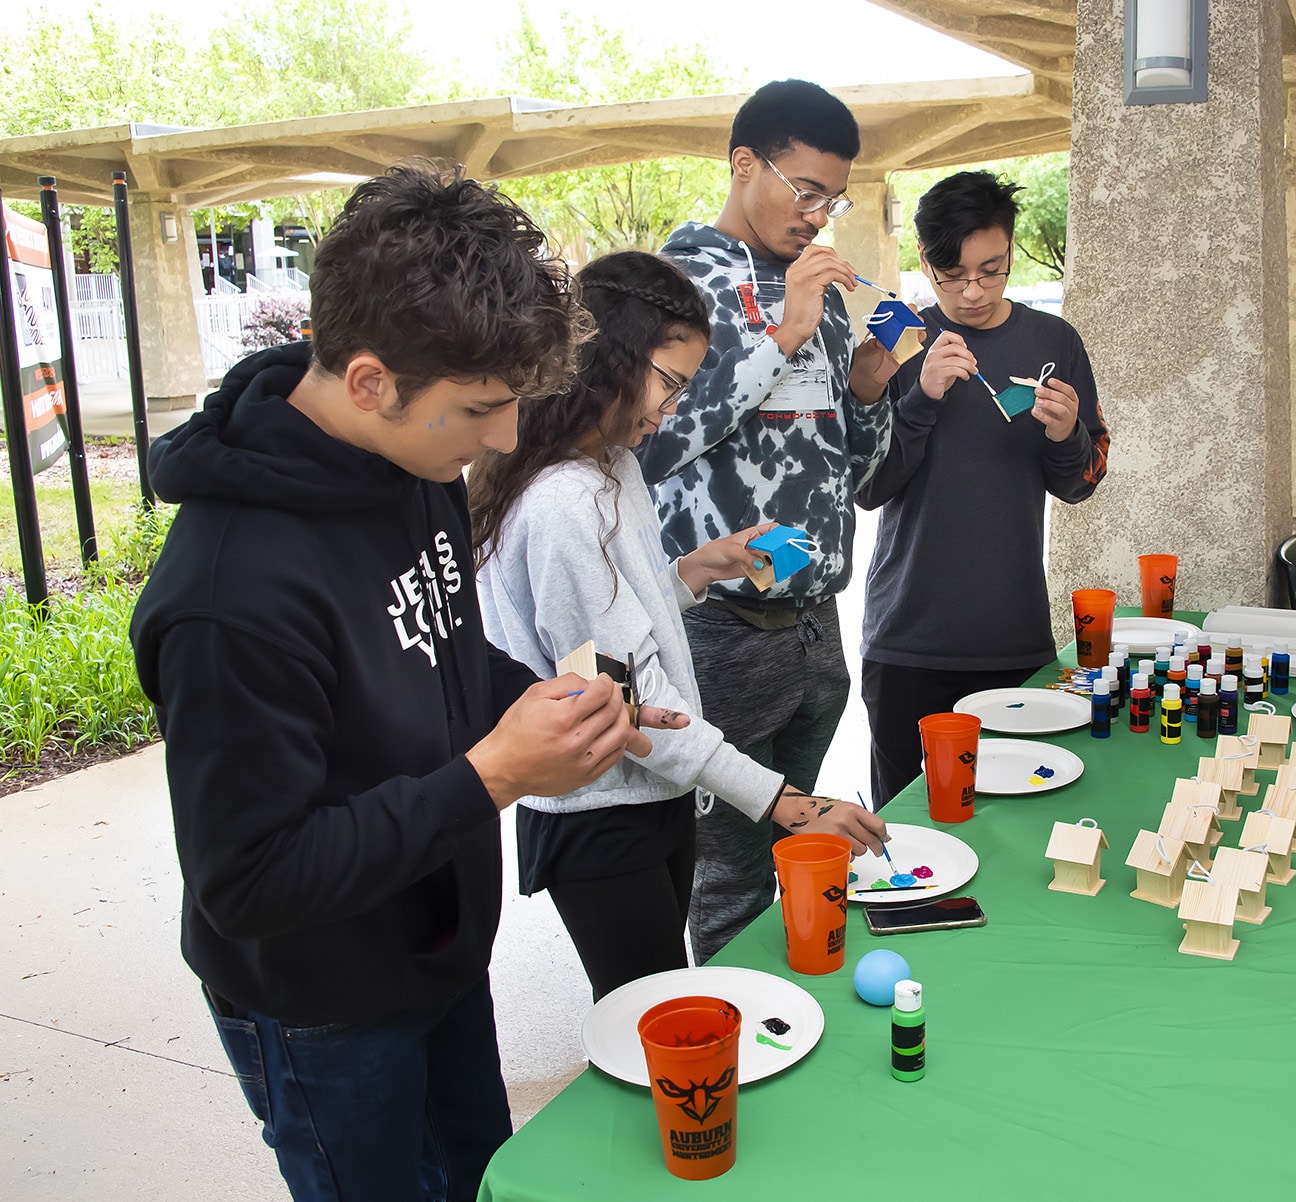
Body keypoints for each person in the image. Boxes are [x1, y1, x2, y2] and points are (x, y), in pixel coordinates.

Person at [129, 164, 666, 1202]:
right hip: (323, 1002)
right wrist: (492, 779)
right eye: (481, 409)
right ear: (370, 379)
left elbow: (446, 653)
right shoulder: (228, 594)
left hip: (438, 947)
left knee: (477, 1179)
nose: (506, 439)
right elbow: (248, 881)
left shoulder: (406, 461)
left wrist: (553, 702)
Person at [471, 251, 886, 1002]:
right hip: (599, 813)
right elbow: (632, 693)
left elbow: (617, 624)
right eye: (667, 383)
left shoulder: (610, 464)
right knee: (651, 1021)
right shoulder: (565, 502)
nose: (667, 413)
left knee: (661, 1001)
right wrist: (783, 799)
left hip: (647, 795)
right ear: (605, 359)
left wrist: (697, 569)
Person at [637, 79, 895, 963]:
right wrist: (780, 336)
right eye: (806, 190)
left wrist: (866, 391)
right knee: (726, 877)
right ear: (744, 164)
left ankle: (793, 1017)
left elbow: (854, 476)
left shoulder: (816, 288)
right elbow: (650, 447)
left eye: (834, 197)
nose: (820, 215)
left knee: (801, 851)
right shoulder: (669, 286)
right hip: (718, 629)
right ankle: (734, 1035)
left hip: (816, 630)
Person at [857, 170, 1109, 808]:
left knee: (1014, 821)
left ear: (1010, 252)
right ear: (924, 260)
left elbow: (1081, 484)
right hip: (908, 638)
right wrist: (920, 398)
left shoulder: (1054, 341)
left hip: (1012, 636)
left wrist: (1067, 434)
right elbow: (867, 485)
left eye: (991, 271)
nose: (971, 291)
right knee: (908, 822)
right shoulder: (895, 333)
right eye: (951, 274)